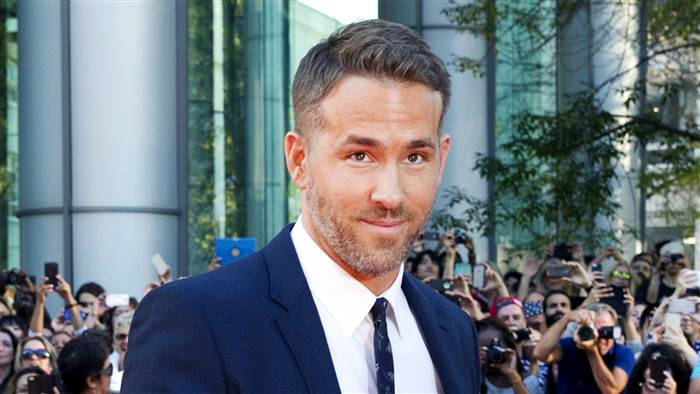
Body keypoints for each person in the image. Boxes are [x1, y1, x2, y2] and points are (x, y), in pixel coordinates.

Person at [123, 19, 480, 393]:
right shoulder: (199, 321)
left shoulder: (452, 330)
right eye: (360, 155)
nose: (390, 194)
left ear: (441, 159)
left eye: (414, 157)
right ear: (299, 160)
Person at [533, 303, 635, 394]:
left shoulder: (623, 353)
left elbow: (611, 391)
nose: (600, 337)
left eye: (607, 331)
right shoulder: (569, 346)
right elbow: (539, 353)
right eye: (594, 330)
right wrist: (566, 319)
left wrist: (591, 351)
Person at [477, 317, 542, 394]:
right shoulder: (470, 380)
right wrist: (476, 371)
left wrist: (513, 375)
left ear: (508, 347)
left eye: (495, 348)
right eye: (484, 350)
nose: (491, 354)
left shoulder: (529, 381)